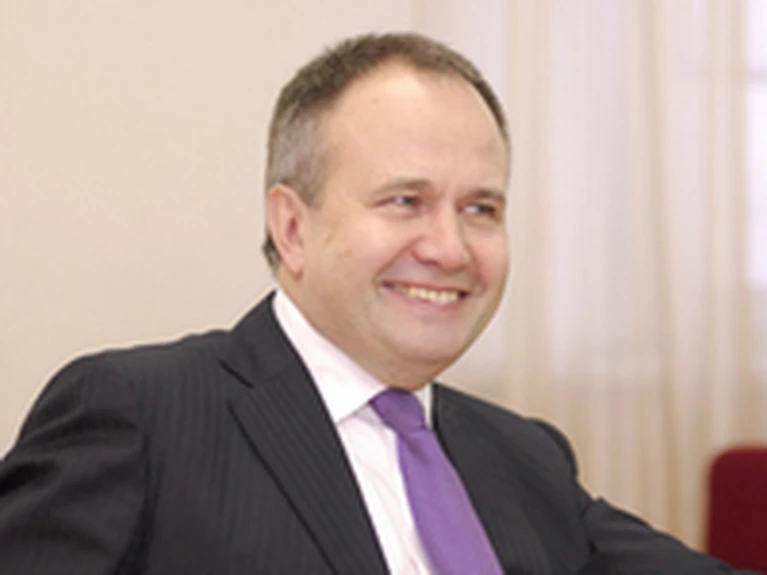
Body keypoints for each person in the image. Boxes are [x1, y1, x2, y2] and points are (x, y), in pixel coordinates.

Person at [0, 32, 755, 575]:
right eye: (404, 200)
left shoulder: (526, 456)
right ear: (292, 228)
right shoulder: (140, 416)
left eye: (481, 209)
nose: (450, 248)